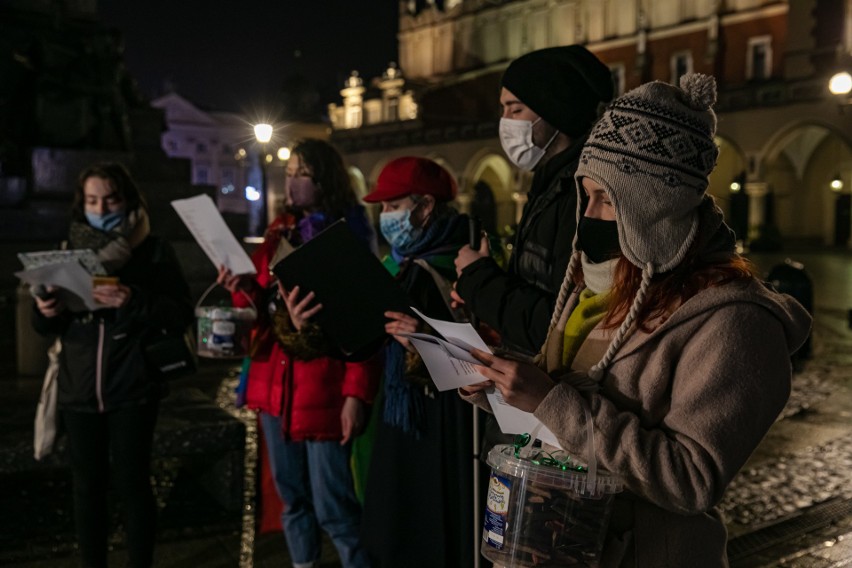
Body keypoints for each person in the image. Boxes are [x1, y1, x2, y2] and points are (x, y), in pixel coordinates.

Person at [460, 74, 812, 565]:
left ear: (654, 207)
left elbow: (689, 481)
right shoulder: (595, 287)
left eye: (605, 198)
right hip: (554, 543)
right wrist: (507, 384)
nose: (588, 215)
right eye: (585, 196)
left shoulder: (735, 324)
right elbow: (563, 400)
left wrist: (550, 399)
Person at [217, 138, 380, 568]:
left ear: (324, 179)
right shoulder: (277, 234)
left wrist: (354, 395)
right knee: (293, 502)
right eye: (288, 173)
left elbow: (364, 326)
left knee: (336, 510)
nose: (290, 183)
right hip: (276, 388)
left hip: (323, 392)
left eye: (301, 174)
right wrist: (241, 288)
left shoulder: (349, 236)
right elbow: (258, 312)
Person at [32, 162, 193, 568]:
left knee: (133, 485)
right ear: (80, 205)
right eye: (91, 200)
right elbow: (44, 326)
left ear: (128, 201)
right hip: (79, 388)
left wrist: (133, 300)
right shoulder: (67, 251)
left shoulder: (153, 251)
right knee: (86, 488)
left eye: (109, 199)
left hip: (132, 388)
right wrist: (45, 309)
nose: (100, 207)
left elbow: (180, 314)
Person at [453, 44, 614, 356]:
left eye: (516, 110)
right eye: (502, 110)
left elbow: (557, 322)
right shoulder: (549, 182)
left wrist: (480, 281)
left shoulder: (583, 194)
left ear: (555, 111)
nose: (505, 123)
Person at [358, 157, 476, 567]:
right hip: (401, 419)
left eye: (393, 207)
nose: (385, 217)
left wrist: (422, 342)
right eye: (382, 209)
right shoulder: (400, 265)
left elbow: (480, 357)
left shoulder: (464, 265)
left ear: (425, 207)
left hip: (443, 425)